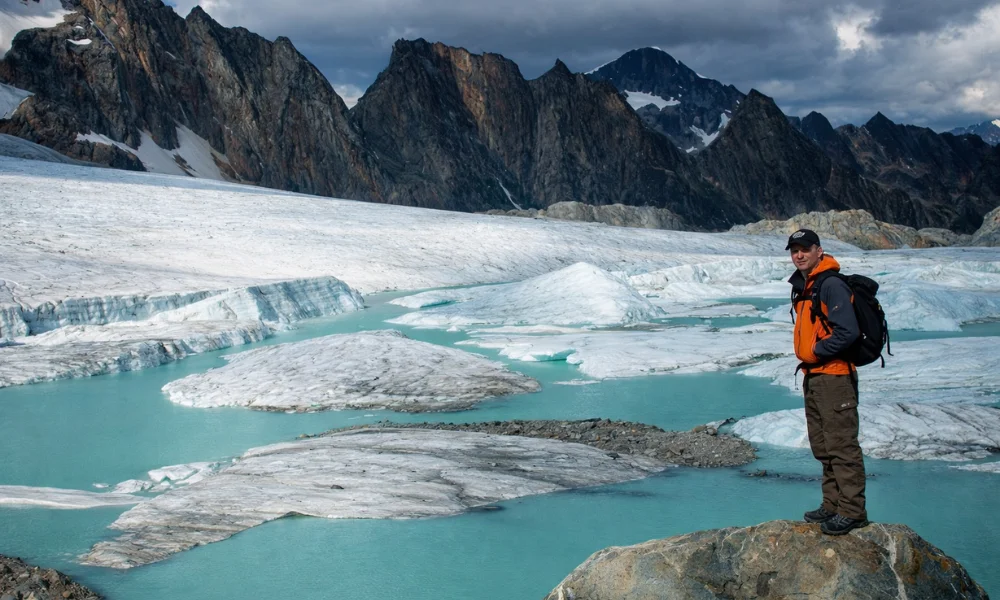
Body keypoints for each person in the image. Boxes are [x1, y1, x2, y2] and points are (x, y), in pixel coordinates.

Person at [786, 229, 868, 535]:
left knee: (841, 446)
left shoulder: (830, 284)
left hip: (834, 376)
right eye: (794, 250)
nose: (799, 255)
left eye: (805, 249)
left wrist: (816, 351)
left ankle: (852, 511)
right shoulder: (807, 285)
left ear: (819, 250)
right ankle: (832, 504)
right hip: (815, 376)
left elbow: (847, 331)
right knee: (823, 446)